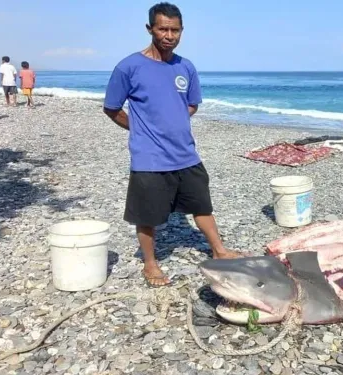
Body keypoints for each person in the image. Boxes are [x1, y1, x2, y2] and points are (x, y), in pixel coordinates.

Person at [103, 2, 243, 287]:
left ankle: (219, 250)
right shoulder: (129, 67)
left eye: (175, 30)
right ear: (150, 29)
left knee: (202, 205)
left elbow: (191, 105)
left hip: (186, 154)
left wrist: (172, 122)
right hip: (149, 157)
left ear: (182, 31)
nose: (169, 35)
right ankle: (151, 264)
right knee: (147, 215)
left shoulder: (185, 67)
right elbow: (111, 107)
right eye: (163, 29)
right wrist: (141, 128)